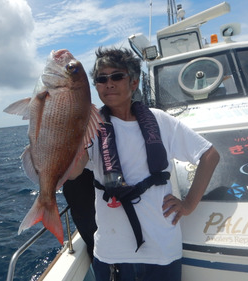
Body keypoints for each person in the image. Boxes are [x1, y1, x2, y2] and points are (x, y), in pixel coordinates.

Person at [70, 47, 220, 281]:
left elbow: (209, 155)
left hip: (163, 251)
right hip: (112, 254)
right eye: (101, 79)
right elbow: (73, 172)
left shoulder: (161, 120)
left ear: (133, 83)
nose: (108, 83)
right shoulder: (92, 127)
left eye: (117, 76)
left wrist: (189, 204)